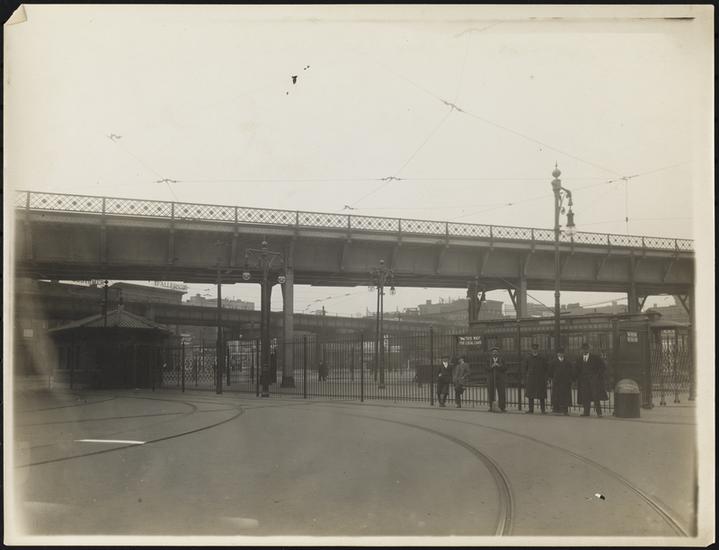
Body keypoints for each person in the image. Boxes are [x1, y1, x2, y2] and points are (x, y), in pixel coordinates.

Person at [575, 342, 608, 417]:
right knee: (585, 396)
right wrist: (578, 377)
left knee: (595, 396)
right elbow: (576, 369)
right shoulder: (579, 359)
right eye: (583, 349)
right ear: (581, 350)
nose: (585, 350)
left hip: (593, 381)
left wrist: (597, 375)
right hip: (583, 381)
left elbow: (603, 366)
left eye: (586, 349)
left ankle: (599, 413)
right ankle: (586, 412)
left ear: (589, 349)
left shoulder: (595, 358)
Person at [523, 343, 548, 414]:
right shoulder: (528, 358)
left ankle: (543, 410)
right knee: (530, 395)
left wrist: (545, 378)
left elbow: (546, 368)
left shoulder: (542, 358)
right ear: (531, 350)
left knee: (541, 395)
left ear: (538, 349)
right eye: (533, 349)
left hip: (540, 378)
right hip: (531, 379)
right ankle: (531, 409)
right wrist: (526, 377)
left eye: (536, 349)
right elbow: (525, 368)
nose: (535, 350)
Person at [549, 347, 572, 415]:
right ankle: (556, 409)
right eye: (559, 353)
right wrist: (552, 378)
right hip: (557, 381)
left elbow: (571, 371)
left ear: (564, 354)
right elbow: (550, 372)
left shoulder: (568, 362)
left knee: (565, 395)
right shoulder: (553, 362)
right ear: (557, 354)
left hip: (565, 382)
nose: (561, 354)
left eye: (562, 353)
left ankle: (564, 409)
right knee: (556, 395)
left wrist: (570, 379)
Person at [487, 346, 507, 412]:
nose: (494, 353)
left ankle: (502, 407)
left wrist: (499, 366)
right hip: (491, 378)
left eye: (496, 352)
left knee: (501, 392)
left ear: (498, 353)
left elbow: (505, 368)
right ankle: (491, 407)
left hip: (500, 378)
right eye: (493, 352)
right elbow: (485, 368)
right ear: (491, 353)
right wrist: (491, 366)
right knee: (491, 392)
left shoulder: (502, 359)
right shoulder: (488, 360)